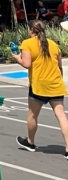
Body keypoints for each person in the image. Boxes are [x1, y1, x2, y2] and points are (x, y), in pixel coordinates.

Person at [11, 20, 68, 158]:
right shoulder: (53, 44)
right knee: (61, 115)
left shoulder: (27, 43)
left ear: (31, 30)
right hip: (55, 84)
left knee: (32, 114)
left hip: (39, 86)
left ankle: (30, 142)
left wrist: (16, 57)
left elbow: (26, 64)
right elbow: (59, 65)